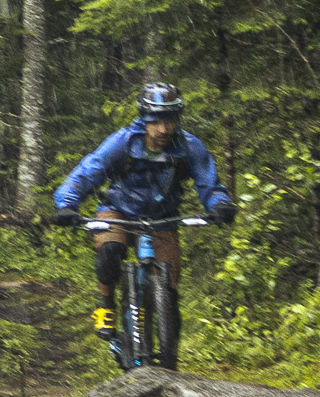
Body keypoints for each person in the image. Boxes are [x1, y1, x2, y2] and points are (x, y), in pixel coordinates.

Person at [52, 80, 234, 366]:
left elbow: (208, 183)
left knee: (170, 293)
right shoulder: (122, 143)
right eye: (156, 121)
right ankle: (107, 305)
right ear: (144, 119)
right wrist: (67, 205)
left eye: (169, 120)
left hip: (163, 219)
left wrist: (220, 205)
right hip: (119, 211)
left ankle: (169, 359)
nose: (163, 129)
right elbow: (87, 173)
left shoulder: (189, 147)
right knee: (110, 250)